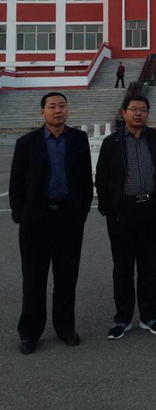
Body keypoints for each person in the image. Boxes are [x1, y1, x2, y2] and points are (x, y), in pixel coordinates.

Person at [9, 92, 93, 355]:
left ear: (68, 110)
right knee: (34, 279)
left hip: (69, 219)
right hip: (36, 220)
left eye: (62, 106)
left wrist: (80, 213)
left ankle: (65, 327)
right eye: (52, 106)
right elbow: (16, 183)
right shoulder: (27, 143)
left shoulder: (78, 139)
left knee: (66, 278)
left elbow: (85, 180)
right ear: (42, 112)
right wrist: (21, 215)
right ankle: (30, 332)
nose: (58, 110)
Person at [95, 94, 156, 340]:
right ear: (124, 113)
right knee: (123, 268)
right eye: (133, 109)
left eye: (143, 109)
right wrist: (109, 208)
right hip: (123, 212)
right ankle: (123, 318)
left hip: (152, 210)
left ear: (148, 113)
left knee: (149, 267)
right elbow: (101, 177)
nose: (138, 113)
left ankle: (150, 317)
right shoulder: (112, 142)